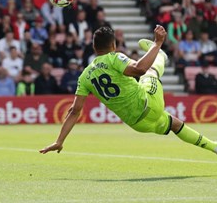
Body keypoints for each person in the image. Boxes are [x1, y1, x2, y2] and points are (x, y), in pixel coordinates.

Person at [40, 26, 217, 157]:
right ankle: (160, 54)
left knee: (175, 125)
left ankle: (213, 147)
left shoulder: (84, 76)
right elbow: (139, 69)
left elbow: (74, 111)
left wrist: (60, 140)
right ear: (114, 45)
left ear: (94, 48)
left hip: (138, 124)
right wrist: (157, 43)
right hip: (149, 103)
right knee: (150, 71)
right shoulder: (114, 57)